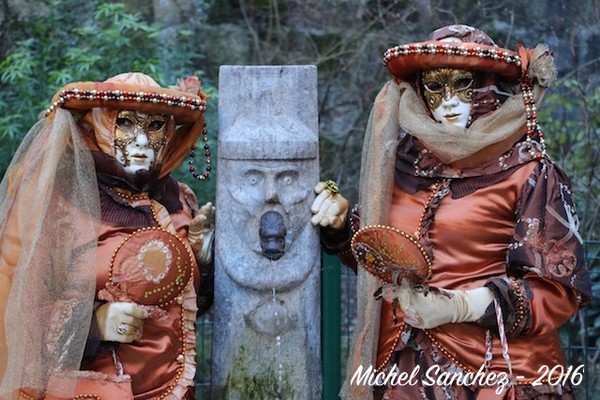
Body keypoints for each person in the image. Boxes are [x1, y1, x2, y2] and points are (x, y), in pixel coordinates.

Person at [312, 24, 592, 399]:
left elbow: (558, 289)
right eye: (434, 87)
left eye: (462, 85)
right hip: (403, 371)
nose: (448, 102)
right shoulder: (402, 165)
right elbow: (387, 256)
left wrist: (461, 306)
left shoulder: (529, 171)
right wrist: (344, 227)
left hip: (496, 373)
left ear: (487, 87)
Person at [0, 72, 215, 399]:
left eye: (155, 126)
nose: (142, 141)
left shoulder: (177, 201)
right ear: (96, 126)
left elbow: (183, 311)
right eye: (126, 123)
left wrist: (202, 259)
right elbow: (13, 308)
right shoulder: (58, 203)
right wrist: (91, 323)